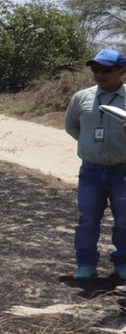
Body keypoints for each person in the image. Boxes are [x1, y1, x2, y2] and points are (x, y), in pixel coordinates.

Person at [65, 49, 126, 280]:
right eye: (95, 68)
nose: (98, 74)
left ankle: (122, 263)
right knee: (88, 220)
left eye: (105, 69)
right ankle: (86, 264)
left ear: (122, 71)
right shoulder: (81, 97)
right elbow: (72, 127)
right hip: (90, 170)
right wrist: (91, 146)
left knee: (124, 221)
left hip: (123, 171)